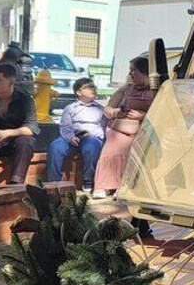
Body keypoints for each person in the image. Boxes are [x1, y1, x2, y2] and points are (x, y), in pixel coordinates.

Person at [93, 57, 154, 198]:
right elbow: (107, 109)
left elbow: (163, 111)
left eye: (134, 70)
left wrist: (142, 116)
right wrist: (115, 112)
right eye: (130, 70)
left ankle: (125, 187)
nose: (131, 74)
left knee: (137, 147)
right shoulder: (126, 89)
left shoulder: (157, 90)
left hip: (145, 128)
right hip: (121, 128)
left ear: (144, 72)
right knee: (114, 145)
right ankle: (103, 185)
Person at [46, 78, 105, 194]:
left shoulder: (100, 109)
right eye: (89, 87)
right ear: (79, 92)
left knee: (91, 146)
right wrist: (71, 137)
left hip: (91, 137)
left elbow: (104, 127)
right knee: (55, 146)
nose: (93, 90)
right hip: (72, 137)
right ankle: (53, 183)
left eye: (94, 87)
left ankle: (88, 180)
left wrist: (92, 134)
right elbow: (65, 126)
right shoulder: (70, 108)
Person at [0, 62, 39, 184]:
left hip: (16, 142)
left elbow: (32, 128)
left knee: (26, 140)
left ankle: (16, 184)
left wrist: (7, 133)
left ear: (11, 82)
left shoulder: (25, 99)